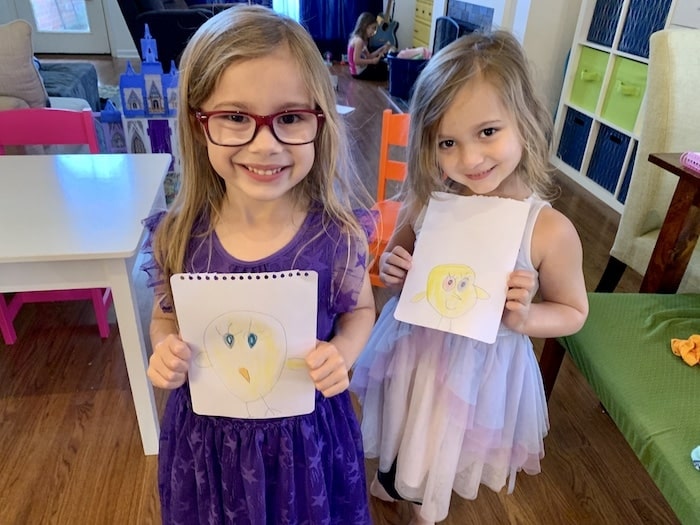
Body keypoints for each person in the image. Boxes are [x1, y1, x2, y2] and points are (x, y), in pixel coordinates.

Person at [142, 5, 377, 524]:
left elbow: (361, 311)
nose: (265, 144)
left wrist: (343, 352)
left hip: (308, 439)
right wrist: (164, 349)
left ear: (320, 120)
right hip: (209, 446)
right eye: (235, 117)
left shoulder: (335, 235)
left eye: (290, 117)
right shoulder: (179, 237)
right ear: (198, 123)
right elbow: (166, 316)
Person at [350, 31, 589, 525]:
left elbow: (573, 312)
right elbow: (392, 276)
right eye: (447, 143)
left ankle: (426, 509)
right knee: (403, 422)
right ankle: (395, 481)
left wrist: (525, 316)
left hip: (480, 368)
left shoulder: (548, 229)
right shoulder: (427, 202)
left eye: (487, 133)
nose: (469, 160)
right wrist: (393, 272)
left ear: (525, 122)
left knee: (441, 441)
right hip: (413, 349)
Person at [348, 11, 392, 81]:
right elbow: (356, 61)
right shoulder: (358, 41)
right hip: (358, 73)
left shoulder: (363, 40)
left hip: (363, 69)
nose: (374, 31)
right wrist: (372, 61)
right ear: (366, 27)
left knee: (383, 66)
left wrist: (381, 49)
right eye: (373, 28)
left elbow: (369, 56)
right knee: (385, 74)